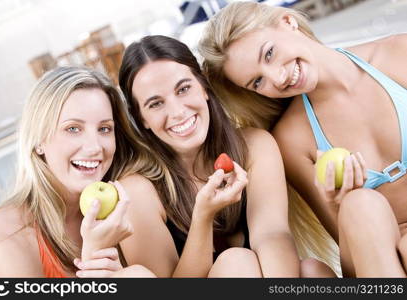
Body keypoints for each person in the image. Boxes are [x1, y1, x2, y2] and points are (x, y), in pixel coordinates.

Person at [198, 1, 407, 277]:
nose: (278, 77)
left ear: (287, 22)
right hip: (379, 264)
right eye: (257, 82)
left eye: (269, 53)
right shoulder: (292, 140)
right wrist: (337, 203)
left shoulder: (398, 54)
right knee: (359, 205)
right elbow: (353, 264)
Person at [115, 35, 336, 278]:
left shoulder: (253, 146)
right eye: (155, 104)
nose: (177, 112)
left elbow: (272, 235)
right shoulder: (136, 191)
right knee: (236, 262)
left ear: (204, 88)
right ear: (142, 119)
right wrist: (203, 217)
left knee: (314, 271)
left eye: (184, 89)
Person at [0, 66, 154, 278]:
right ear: (39, 140)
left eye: (104, 129)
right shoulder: (2, 238)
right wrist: (95, 255)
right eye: (73, 129)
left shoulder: (120, 212)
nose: (95, 147)